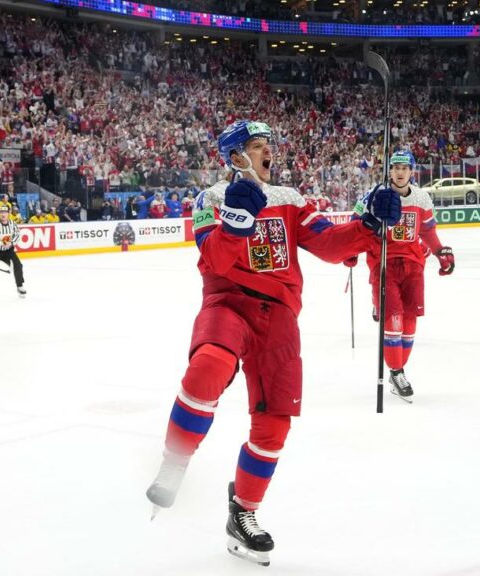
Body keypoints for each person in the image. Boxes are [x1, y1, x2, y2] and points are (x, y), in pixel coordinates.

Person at [145, 120, 402, 566]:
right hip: (228, 302)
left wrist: (367, 223)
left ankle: (243, 513)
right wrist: (237, 223)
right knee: (208, 366)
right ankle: (175, 459)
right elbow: (214, 260)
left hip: (280, 317)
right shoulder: (211, 200)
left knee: (275, 423)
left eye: (268, 146)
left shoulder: (290, 199)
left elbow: (327, 242)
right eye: (257, 146)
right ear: (234, 157)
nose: (268, 153)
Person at [344, 151, 454, 402]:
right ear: (389, 171)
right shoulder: (374, 195)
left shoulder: (422, 197)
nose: (400, 172)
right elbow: (355, 222)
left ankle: (397, 370)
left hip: (414, 264)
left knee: (410, 320)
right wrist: (350, 250)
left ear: (412, 171)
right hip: (383, 263)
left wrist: (440, 252)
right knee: (393, 319)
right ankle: (396, 371)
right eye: (395, 168)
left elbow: (428, 231)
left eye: (405, 167)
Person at [0, 206, 26, 297]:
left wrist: (11, 242)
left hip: (8, 251)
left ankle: (20, 286)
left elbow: (18, 234)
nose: (3, 214)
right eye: (1, 212)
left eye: (5, 212)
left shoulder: (12, 223)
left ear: (8, 213)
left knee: (18, 265)